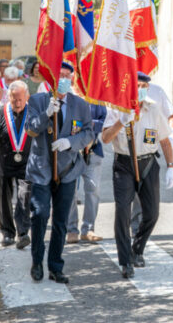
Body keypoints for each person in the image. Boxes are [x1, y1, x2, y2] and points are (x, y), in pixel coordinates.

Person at [24, 62, 94, 284]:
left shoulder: (80, 105)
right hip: (42, 169)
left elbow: (89, 133)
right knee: (40, 214)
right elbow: (30, 129)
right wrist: (46, 114)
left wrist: (70, 142)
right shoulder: (37, 100)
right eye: (59, 74)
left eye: (67, 75)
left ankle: (55, 265)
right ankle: (37, 262)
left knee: (61, 221)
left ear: (72, 78)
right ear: (52, 78)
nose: (63, 78)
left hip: (68, 170)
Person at [101, 71, 173, 279]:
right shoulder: (116, 109)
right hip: (124, 164)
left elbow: (164, 140)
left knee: (152, 214)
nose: (141, 91)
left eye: (144, 87)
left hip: (148, 163)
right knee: (123, 213)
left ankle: (137, 249)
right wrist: (121, 122)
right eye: (137, 87)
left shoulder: (152, 108)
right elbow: (106, 139)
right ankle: (125, 261)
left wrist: (171, 166)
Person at [0, 81, 33, 249]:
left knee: (24, 195)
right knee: (4, 197)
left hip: (26, 163)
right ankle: (7, 233)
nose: (18, 103)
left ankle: (23, 233)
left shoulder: (33, 112)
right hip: (4, 161)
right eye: (14, 100)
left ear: (27, 96)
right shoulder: (0, 112)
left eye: (21, 99)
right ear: (9, 98)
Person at [131, 81, 173, 235]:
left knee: (149, 203)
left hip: (148, 155)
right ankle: (134, 228)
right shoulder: (124, 88)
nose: (141, 88)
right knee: (130, 198)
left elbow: (171, 114)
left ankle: (142, 226)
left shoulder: (157, 92)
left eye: (144, 85)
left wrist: (172, 135)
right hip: (128, 156)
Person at [66, 101, 107, 243]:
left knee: (93, 189)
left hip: (92, 151)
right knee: (70, 191)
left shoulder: (96, 100)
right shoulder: (69, 99)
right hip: (71, 152)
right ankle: (71, 229)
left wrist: (90, 123)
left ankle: (88, 228)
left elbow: (105, 121)